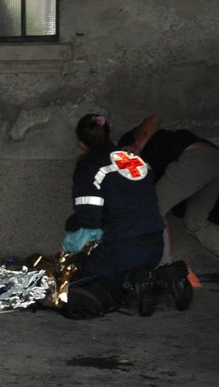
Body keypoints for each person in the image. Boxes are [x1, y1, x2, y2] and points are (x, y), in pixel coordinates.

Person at [119, 113, 219, 292]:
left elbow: (154, 118)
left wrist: (137, 145)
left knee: (153, 209)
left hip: (195, 157)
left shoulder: (138, 140)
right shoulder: (151, 159)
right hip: (215, 160)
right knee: (196, 223)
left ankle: (165, 270)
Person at [60, 114, 165, 319]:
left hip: (122, 248)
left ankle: (130, 281)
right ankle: (158, 277)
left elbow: (89, 220)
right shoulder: (135, 159)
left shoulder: (89, 167)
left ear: (82, 144)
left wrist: (70, 240)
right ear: (110, 134)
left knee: (75, 284)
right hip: (154, 246)